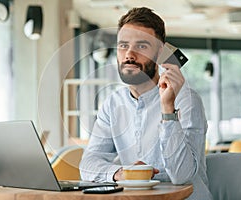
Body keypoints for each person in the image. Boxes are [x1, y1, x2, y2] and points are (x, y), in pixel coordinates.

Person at [79, 7, 212, 199]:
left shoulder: (187, 100)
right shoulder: (113, 104)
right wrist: (120, 174)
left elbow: (181, 176)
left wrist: (168, 110)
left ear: (160, 52)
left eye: (141, 46)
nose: (129, 55)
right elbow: (88, 164)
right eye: (123, 45)